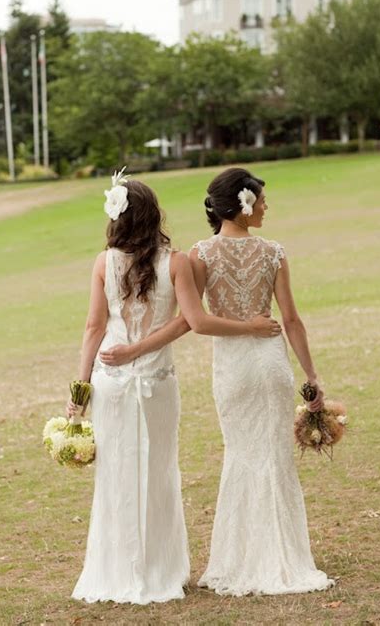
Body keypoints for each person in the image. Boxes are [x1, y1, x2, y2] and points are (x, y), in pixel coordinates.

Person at [101, 167, 334, 596]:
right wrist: (312, 376)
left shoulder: (200, 255)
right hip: (270, 361)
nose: (266, 206)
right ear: (244, 205)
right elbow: (292, 320)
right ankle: (284, 558)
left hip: (232, 368)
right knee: (274, 457)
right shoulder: (273, 252)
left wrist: (135, 347)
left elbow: (194, 321)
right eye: (261, 200)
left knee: (241, 454)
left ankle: (237, 560)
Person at [68, 170, 281, 605]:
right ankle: (161, 572)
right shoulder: (176, 261)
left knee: (116, 478)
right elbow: (187, 320)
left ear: (117, 217)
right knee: (160, 474)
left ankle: (115, 572)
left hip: (111, 381)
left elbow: (93, 327)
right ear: (154, 215)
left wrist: (80, 390)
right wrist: (141, 351)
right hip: (156, 383)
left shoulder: (103, 261)